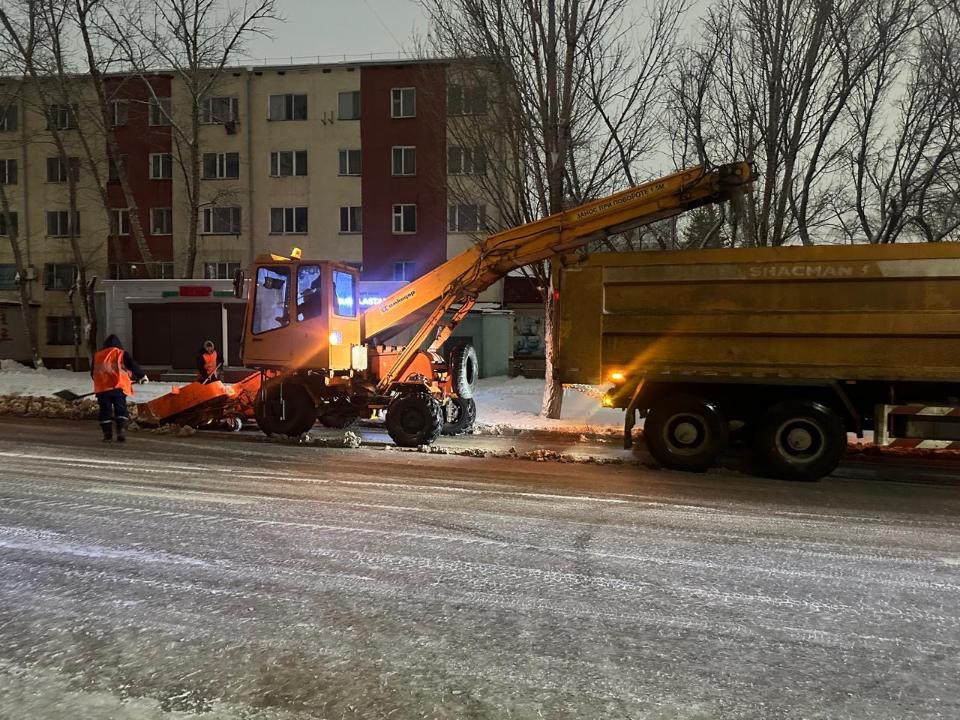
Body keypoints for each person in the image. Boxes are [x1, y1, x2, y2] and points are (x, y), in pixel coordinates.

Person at [91, 334, 147, 442]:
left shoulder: (97, 356)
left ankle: (107, 434)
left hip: (103, 390)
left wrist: (101, 382)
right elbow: (132, 365)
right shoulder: (121, 354)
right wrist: (141, 376)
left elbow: (93, 373)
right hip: (118, 388)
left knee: (105, 411)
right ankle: (121, 430)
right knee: (120, 409)